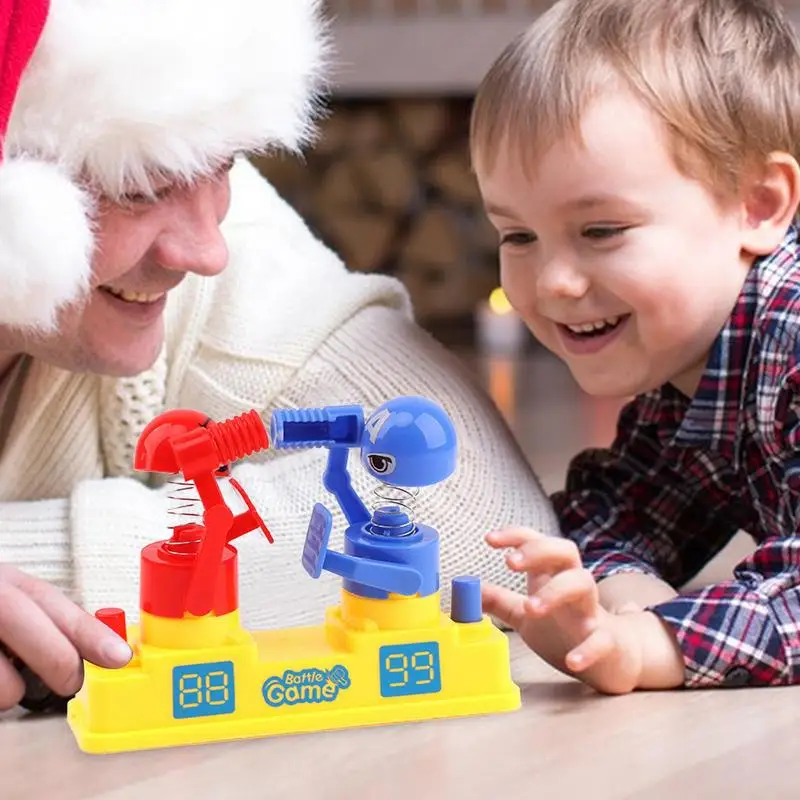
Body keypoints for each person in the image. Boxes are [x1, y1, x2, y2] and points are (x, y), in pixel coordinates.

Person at [0, 0, 559, 711]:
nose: (208, 252)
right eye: (140, 190)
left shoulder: (191, 157)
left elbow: (470, 516)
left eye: (226, 162)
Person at [471, 0, 800, 694]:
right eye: (518, 236)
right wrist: (620, 589)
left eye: (601, 231)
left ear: (759, 207)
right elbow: (618, 507)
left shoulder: (788, 343)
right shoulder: (684, 363)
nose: (555, 282)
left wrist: (651, 645)